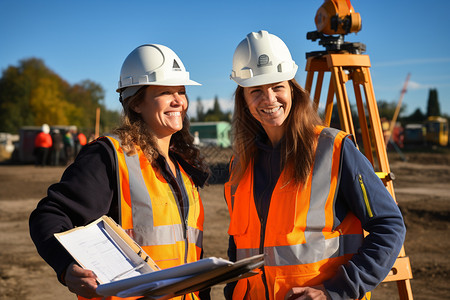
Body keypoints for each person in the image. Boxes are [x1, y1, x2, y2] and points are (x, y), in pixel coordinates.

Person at [223, 30, 406, 300]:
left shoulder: (333, 149)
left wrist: (335, 291)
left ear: (292, 90)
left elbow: (389, 225)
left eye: (277, 86)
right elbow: (239, 245)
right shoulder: (240, 164)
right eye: (256, 90)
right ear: (244, 99)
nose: (270, 99)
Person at [29, 44, 210, 300]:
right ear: (136, 103)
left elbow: (190, 253)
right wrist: (66, 266)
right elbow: (49, 215)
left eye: (181, 91)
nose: (178, 101)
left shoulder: (183, 169)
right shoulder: (110, 156)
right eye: (165, 92)